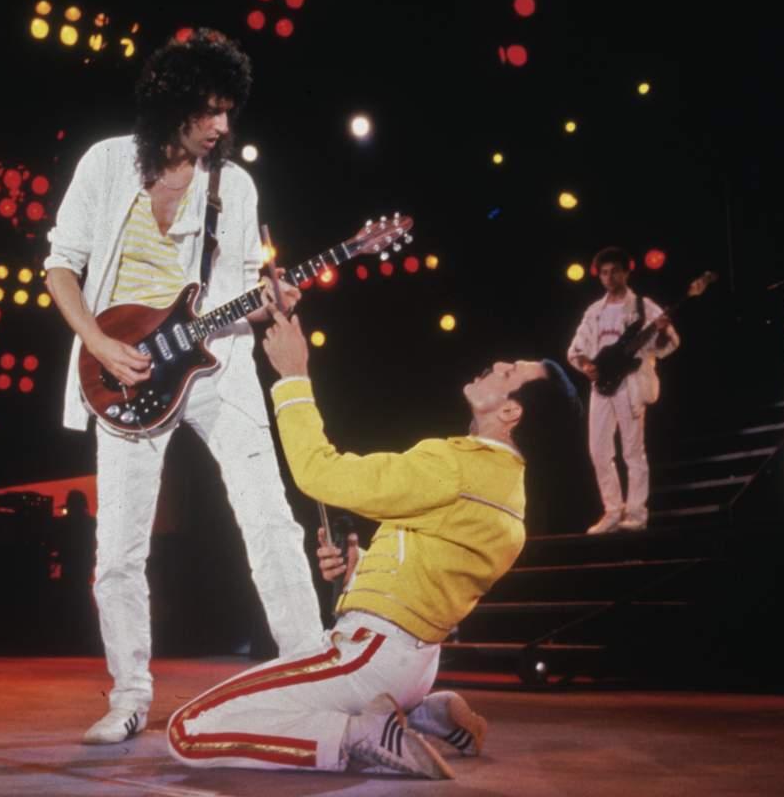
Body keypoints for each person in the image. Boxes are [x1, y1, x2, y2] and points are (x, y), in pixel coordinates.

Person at [43, 29, 322, 744]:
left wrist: (271, 300)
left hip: (214, 366)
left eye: (230, 111)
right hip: (123, 371)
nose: (223, 127)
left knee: (269, 520)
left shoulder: (235, 184)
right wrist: (101, 343)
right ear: (173, 104)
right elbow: (59, 267)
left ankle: (312, 675)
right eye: (210, 111)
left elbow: (234, 292)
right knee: (118, 552)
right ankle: (129, 694)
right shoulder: (107, 164)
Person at [166, 305, 581, 779]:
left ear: (510, 411)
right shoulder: (509, 496)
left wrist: (293, 375)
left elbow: (319, 471)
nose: (497, 365)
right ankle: (425, 713)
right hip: (413, 664)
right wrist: (357, 566)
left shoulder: (457, 466)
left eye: (509, 373)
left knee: (189, 729)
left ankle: (360, 736)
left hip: (370, 657)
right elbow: (429, 572)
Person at [567, 246, 679, 534]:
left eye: (614, 270)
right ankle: (613, 511)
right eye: (604, 272)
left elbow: (668, 343)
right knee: (599, 450)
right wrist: (585, 364)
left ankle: (637, 513)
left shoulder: (643, 306)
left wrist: (663, 329)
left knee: (632, 450)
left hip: (629, 384)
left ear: (626, 272)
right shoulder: (594, 311)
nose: (609, 277)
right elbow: (577, 347)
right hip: (602, 384)